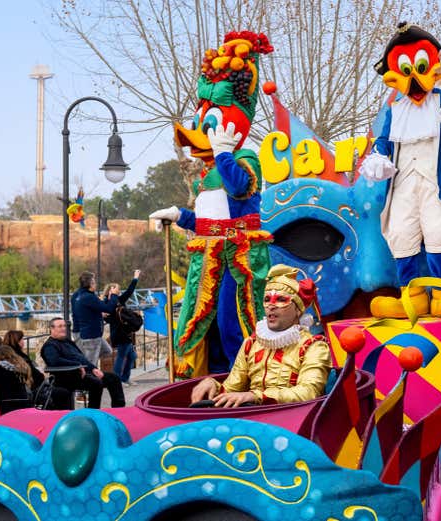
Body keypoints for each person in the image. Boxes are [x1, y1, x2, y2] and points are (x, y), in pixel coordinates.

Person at [149, 31, 274, 379]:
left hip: (238, 258)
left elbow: (240, 189)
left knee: (232, 320)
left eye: (210, 123)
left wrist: (223, 153)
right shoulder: (207, 172)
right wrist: (180, 216)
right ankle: (213, 378)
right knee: (205, 322)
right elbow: (208, 219)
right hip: (208, 258)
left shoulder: (243, 157)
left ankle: (243, 378)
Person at [360, 22, 441, 319]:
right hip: (403, 182)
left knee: (438, 232)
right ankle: (412, 294)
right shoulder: (395, 110)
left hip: (436, 181)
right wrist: (377, 158)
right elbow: (383, 141)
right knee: (401, 232)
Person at [190, 264, 332, 407]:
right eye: (267, 299)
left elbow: (308, 393)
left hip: (292, 421)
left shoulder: (314, 346)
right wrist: (213, 385)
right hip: (252, 420)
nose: (271, 305)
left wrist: (256, 396)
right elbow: (232, 389)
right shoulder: (251, 344)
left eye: (281, 300)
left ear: (298, 310)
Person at [40, 317, 125, 409]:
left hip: (82, 373)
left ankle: (118, 409)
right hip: (66, 377)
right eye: (60, 326)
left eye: (64, 326)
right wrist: (77, 365)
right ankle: (92, 412)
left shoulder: (68, 342)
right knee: (96, 383)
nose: (63, 328)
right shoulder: (50, 346)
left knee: (113, 378)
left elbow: (81, 358)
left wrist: (93, 368)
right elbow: (55, 361)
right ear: (52, 329)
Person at [72, 270, 131, 366]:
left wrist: (99, 314)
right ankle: (89, 375)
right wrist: (114, 295)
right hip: (91, 335)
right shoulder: (88, 297)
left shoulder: (80, 295)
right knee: (91, 365)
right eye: (94, 282)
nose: (95, 285)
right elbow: (109, 309)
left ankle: (87, 364)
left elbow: (85, 312)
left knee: (107, 351)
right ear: (90, 284)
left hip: (91, 334)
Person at [1, 330, 71, 410]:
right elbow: (36, 376)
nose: (23, 342)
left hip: (19, 393)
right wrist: (42, 375)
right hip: (32, 391)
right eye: (22, 339)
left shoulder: (9, 356)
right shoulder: (20, 357)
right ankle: (61, 417)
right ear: (17, 342)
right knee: (63, 392)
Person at [102, 270, 141, 385]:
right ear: (111, 290)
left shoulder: (118, 300)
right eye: (116, 289)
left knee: (132, 356)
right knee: (122, 356)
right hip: (118, 333)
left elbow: (129, 291)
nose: (118, 291)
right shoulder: (106, 303)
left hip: (125, 332)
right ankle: (118, 379)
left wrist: (135, 278)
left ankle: (124, 378)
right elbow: (107, 318)